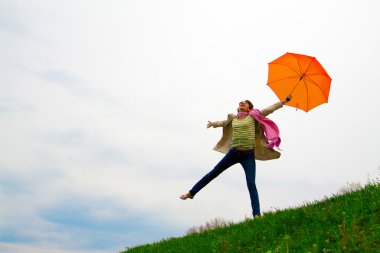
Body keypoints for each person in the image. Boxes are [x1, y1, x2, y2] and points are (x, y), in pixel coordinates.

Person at [179, 96, 292, 217]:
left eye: (246, 103)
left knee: (251, 183)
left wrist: (283, 102)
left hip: (248, 155)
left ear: (249, 108)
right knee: (213, 173)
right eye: (241, 103)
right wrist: (213, 124)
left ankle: (257, 214)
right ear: (238, 109)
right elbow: (223, 123)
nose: (242, 103)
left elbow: (270, 109)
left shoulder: (254, 116)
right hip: (233, 153)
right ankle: (191, 193)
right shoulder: (233, 119)